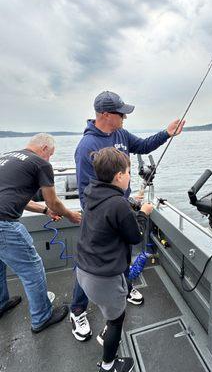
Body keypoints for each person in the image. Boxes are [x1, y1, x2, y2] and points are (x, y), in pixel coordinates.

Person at [70, 90, 185, 341]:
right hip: (102, 216)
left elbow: (143, 145)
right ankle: (77, 309)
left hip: (123, 207)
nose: (125, 117)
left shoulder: (121, 134)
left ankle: (124, 288)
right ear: (105, 115)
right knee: (90, 264)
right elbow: (84, 191)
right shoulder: (86, 146)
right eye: (121, 113)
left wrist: (167, 133)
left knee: (123, 255)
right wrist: (110, 212)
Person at [75, 147, 153, 372]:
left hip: (84, 270)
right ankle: (109, 365)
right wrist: (143, 212)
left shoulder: (92, 191)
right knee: (116, 321)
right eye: (128, 172)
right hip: (104, 278)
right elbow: (134, 236)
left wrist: (129, 202)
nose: (130, 176)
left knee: (110, 314)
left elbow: (110, 210)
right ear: (119, 176)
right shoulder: (118, 204)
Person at [0, 133, 81, 332]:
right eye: (50, 154)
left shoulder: (6, 157)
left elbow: (17, 198)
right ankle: (41, 317)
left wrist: (45, 211)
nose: (49, 159)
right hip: (4, 225)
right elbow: (53, 200)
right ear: (44, 148)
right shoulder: (40, 163)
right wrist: (71, 215)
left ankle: (1, 303)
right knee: (32, 270)